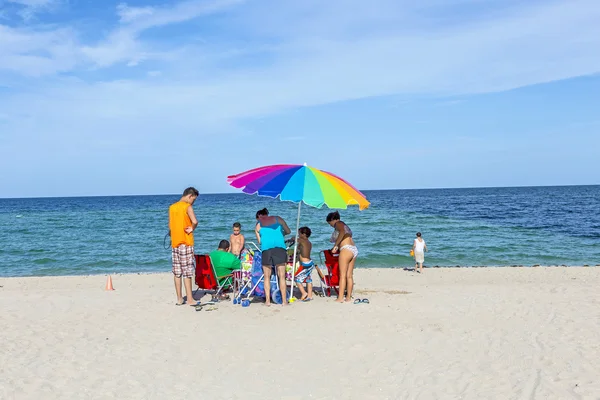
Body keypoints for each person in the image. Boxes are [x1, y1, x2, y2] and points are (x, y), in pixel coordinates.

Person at [169, 187, 199, 306]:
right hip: (185, 242)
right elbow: (195, 221)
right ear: (190, 196)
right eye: (194, 199)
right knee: (187, 272)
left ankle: (179, 298)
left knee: (177, 272)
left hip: (175, 242)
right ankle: (190, 299)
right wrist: (192, 228)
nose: (193, 202)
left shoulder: (172, 207)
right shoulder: (187, 207)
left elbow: (170, 226)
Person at [255, 208, 291, 306]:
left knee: (267, 276)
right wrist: (280, 233)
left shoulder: (258, 225)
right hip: (280, 248)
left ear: (259, 217)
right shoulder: (278, 219)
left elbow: (260, 242)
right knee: (282, 276)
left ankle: (267, 301)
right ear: (267, 214)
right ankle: (284, 302)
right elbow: (288, 231)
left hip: (266, 249)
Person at [327, 211, 358, 303]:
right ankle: (348, 297)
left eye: (329, 223)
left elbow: (342, 232)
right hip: (353, 249)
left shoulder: (338, 223)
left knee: (343, 275)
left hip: (346, 249)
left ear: (333, 220)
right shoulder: (344, 225)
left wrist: (336, 246)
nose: (330, 225)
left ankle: (340, 297)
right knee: (349, 275)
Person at [294, 226, 315, 302]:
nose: (298, 235)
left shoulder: (302, 240)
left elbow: (295, 239)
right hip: (310, 263)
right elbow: (302, 249)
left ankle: (304, 293)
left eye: (299, 233)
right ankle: (310, 295)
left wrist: (291, 239)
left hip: (305, 264)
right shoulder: (308, 242)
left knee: (296, 278)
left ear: (303, 234)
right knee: (308, 279)